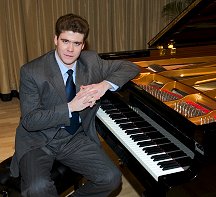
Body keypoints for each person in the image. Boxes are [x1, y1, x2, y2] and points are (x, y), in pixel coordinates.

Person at [10, 13, 140, 197]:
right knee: (37, 188)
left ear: (83, 45)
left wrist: (104, 85)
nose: (70, 49)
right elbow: (30, 121)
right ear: (55, 39)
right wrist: (72, 106)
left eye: (77, 43)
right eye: (65, 41)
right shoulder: (32, 71)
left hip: (73, 137)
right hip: (38, 140)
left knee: (111, 178)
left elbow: (131, 67)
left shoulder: (91, 62)